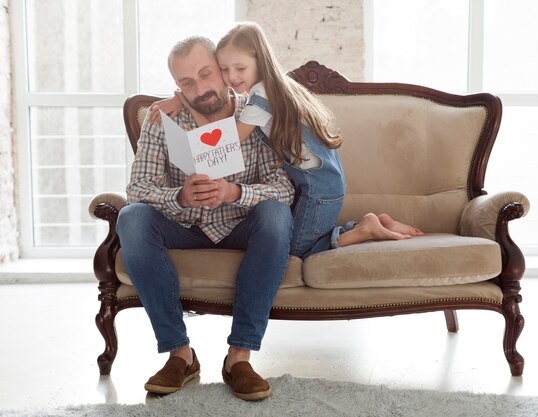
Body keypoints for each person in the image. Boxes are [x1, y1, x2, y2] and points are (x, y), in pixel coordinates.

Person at [116, 35, 295, 401]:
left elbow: (284, 188)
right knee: (132, 217)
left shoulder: (255, 112)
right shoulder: (161, 118)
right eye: (186, 82)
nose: (200, 88)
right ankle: (180, 353)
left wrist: (235, 192)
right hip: (185, 225)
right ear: (176, 86)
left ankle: (239, 357)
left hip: (242, 223)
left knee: (276, 215)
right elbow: (138, 190)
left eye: (206, 74)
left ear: (222, 69)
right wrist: (179, 196)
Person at [152, 22, 423, 259]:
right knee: (290, 237)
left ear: (260, 61)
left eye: (240, 68)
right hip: (320, 178)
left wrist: (187, 102)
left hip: (319, 186)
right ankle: (371, 224)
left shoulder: (260, 101)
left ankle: (365, 230)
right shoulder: (275, 89)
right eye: (224, 69)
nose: (232, 77)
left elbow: (226, 143)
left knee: (293, 249)